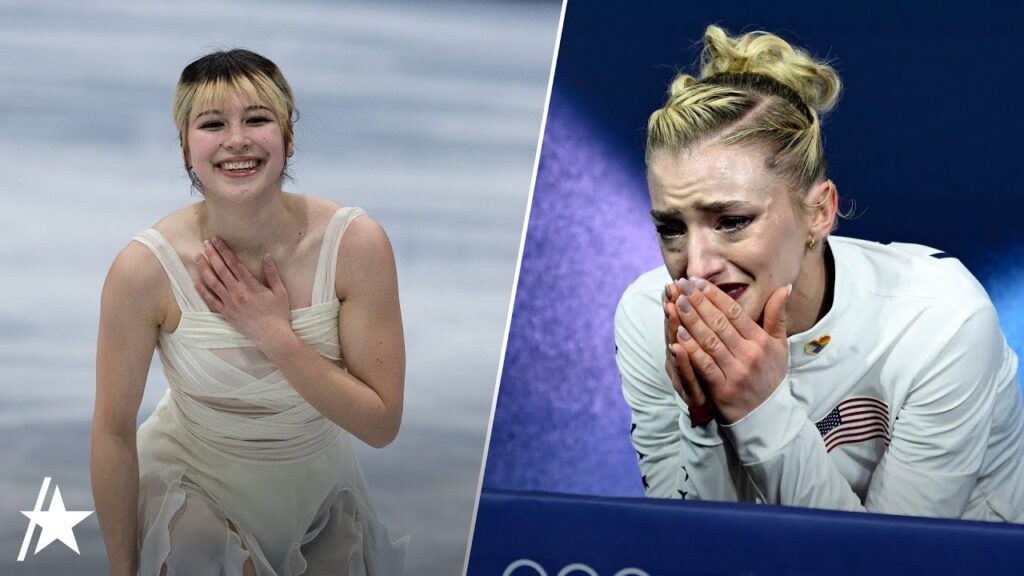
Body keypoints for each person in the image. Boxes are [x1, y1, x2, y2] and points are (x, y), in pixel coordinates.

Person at [615, 25, 1024, 521]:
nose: (697, 266)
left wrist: (759, 409)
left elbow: (889, 563)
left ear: (820, 212)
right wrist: (703, 421)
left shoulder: (941, 323)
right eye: (672, 228)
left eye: (732, 221)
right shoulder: (647, 316)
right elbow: (689, 551)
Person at [92, 49, 406, 575]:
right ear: (186, 149)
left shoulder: (354, 244)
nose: (236, 139)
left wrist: (274, 335)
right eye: (213, 123)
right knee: (198, 550)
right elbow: (113, 431)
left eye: (257, 119)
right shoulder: (144, 271)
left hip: (319, 487)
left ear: (287, 137)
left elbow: (380, 426)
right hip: (193, 481)